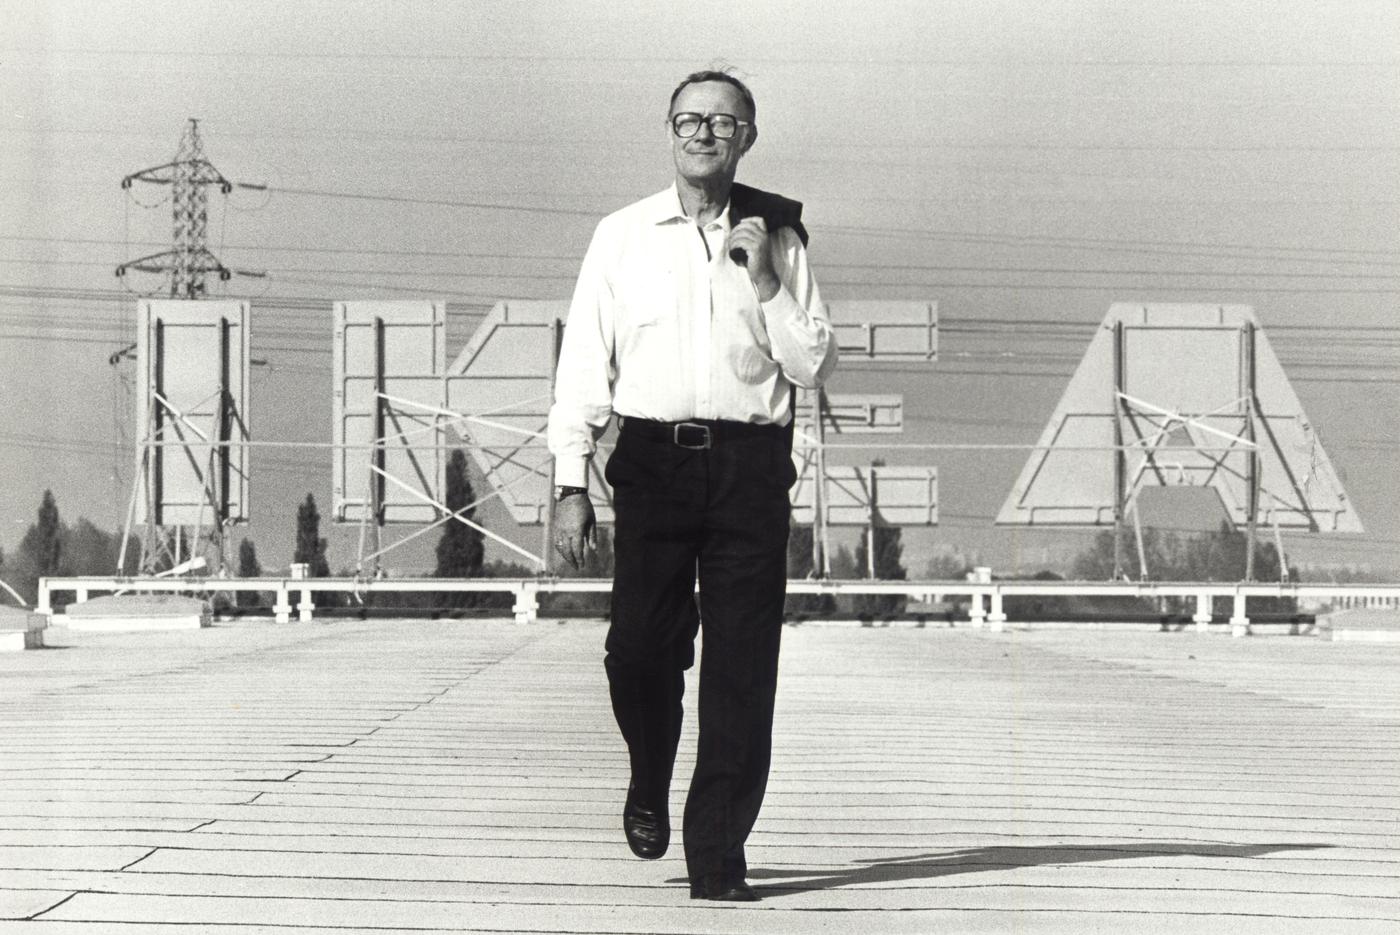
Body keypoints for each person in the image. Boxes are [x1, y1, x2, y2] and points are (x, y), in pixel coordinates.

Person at [547, 69, 837, 902]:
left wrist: (767, 281)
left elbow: (813, 363)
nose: (703, 133)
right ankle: (649, 772)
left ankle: (717, 855)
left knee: (742, 665)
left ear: (748, 138)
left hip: (750, 466)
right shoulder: (622, 235)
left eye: (722, 122)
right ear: (669, 131)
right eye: (688, 120)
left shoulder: (779, 239)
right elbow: (583, 364)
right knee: (640, 650)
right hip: (653, 461)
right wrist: (571, 482)